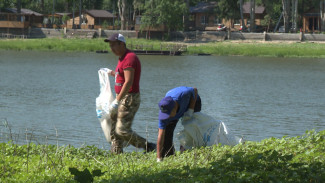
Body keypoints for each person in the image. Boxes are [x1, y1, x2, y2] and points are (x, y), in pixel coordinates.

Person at [104, 33, 156, 154]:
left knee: (122, 130)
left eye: (113, 45)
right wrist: (111, 72)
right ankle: (116, 153)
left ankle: (148, 146)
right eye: (110, 46)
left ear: (121, 44)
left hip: (129, 98)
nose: (111, 48)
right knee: (114, 126)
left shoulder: (129, 58)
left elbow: (128, 82)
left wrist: (117, 101)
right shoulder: (122, 57)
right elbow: (121, 76)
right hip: (121, 97)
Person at [156, 86, 201, 162]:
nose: (167, 117)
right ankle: (169, 156)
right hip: (178, 109)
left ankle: (187, 153)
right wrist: (158, 158)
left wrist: (191, 109)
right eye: (165, 115)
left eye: (168, 114)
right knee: (166, 133)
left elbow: (195, 90)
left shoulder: (184, 94)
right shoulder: (164, 114)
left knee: (191, 127)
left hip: (193, 101)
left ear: (174, 108)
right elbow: (160, 137)